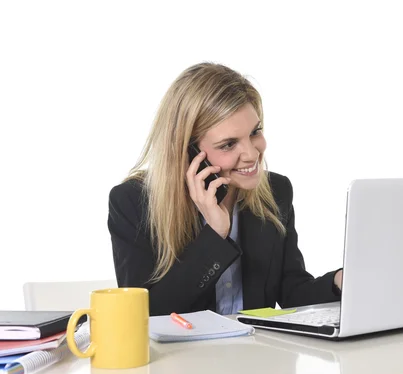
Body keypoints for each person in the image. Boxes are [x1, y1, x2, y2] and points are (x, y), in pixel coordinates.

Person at [107, 62, 343, 316]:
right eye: (229, 144)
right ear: (188, 151)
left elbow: (291, 292)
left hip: (256, 353)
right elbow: (146, 315)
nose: (252, 154)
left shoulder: (277, 191)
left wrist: (340, 282)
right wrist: (215, 234)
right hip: (183, 356)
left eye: (255, 132)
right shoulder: (133, 202)